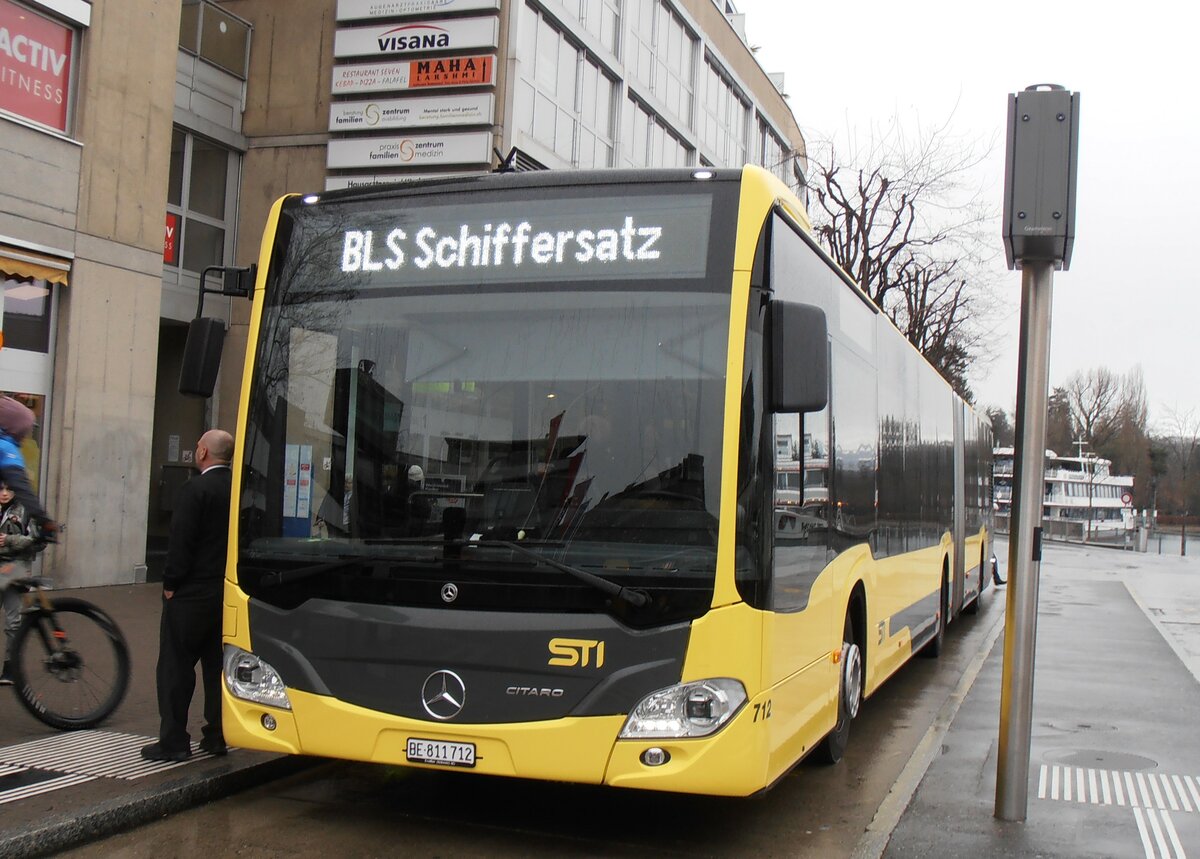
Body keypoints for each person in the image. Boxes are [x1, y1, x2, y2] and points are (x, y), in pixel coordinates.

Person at [142, 429, 234, 762]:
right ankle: (217, 735)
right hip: (225, 592)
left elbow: (181, 542)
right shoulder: (238, 490)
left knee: (176, 667)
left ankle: (174, 740)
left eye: (198, 446)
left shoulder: (195, 490)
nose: (196, 451)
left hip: (191, 592)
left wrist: (171, 583)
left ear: (204, 454)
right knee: (217, 668)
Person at [0, 480, 36, 685]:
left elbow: (35, 541)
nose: (4, 493)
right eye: (1, 489)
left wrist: (9, 540)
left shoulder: (25, 510)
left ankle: (10, 669)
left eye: (9, 488)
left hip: (14, 570)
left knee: (13, 622)